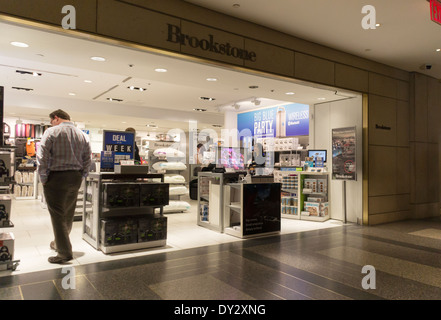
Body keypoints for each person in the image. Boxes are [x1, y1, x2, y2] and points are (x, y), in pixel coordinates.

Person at [36, 109, 92, 264]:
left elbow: (42, 157)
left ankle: (64, 253)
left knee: (57, 214)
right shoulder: (82, 135)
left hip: (56, 176)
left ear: (56, 118)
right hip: (75, 177)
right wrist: (82, 175)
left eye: (51, 121)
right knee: (68, 212)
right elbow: (88, 158)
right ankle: (59, 242)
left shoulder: (51, 132)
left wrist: (43, 177)